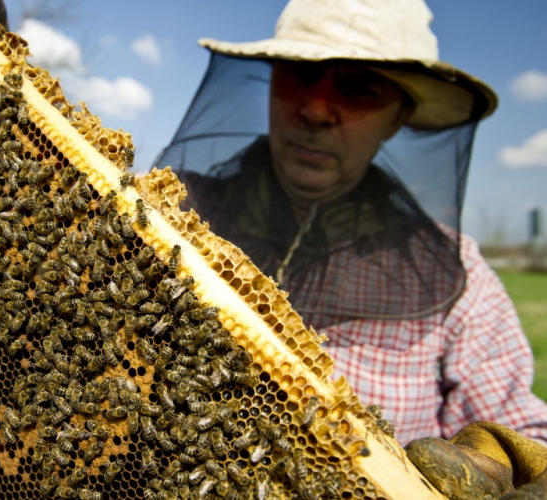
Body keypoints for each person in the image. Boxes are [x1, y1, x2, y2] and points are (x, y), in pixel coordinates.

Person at [156, 0, 547, 496]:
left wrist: (505, 465)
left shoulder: (459, 276)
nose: (316, 109)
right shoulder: (168, 212)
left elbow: (527, 437)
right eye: (300, 72)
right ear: (273, 81)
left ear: (397, 118)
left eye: (359, 88)